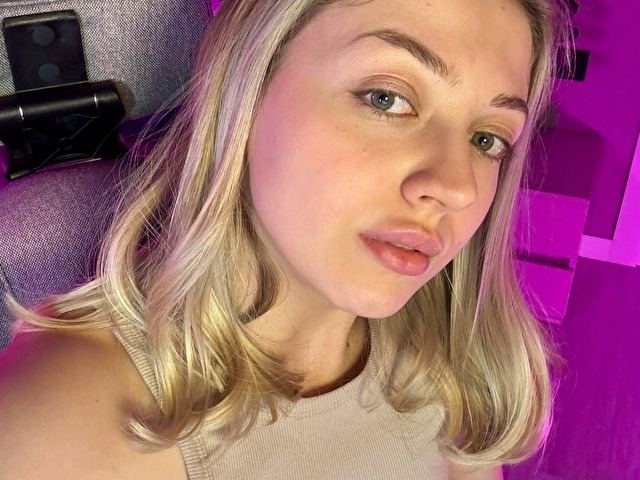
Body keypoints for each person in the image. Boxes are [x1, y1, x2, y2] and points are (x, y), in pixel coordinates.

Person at [0, 0, 570, 478]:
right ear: (247, 85)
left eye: (487, 139)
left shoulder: (450, 369)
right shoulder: (61, 420)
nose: (456, 187)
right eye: (386, 98)